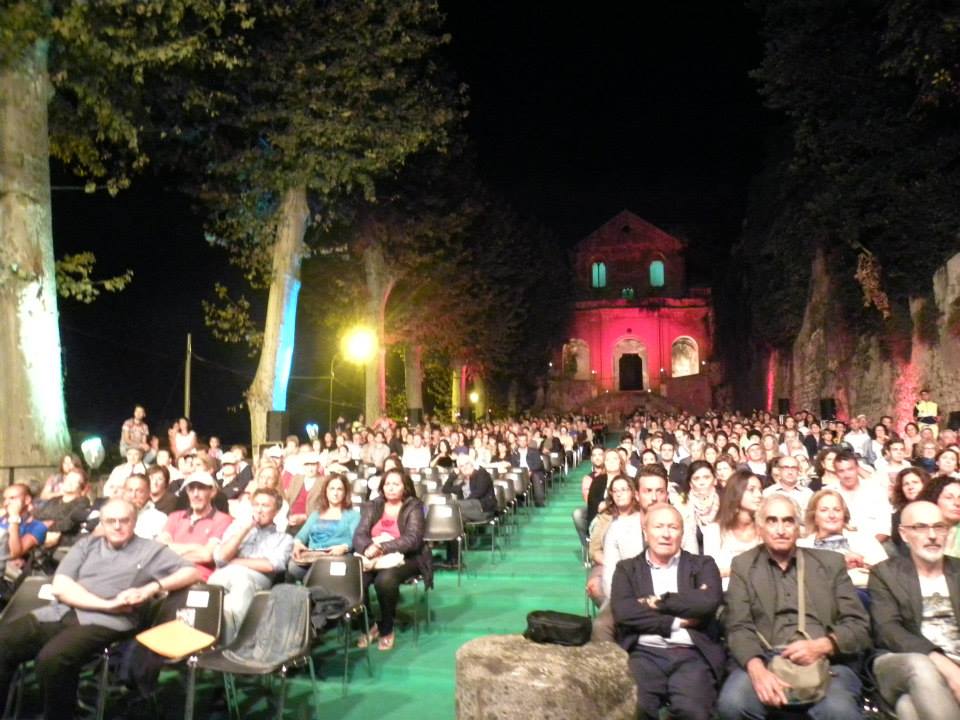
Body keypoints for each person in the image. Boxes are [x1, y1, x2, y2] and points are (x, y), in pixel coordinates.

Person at [0, 498, 199, 720]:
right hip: (63, 611)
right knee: (3, 640)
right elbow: (61, 586)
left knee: (52, 659)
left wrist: (153, 587)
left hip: (108, 622)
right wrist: (108, 604)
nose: (117, 526)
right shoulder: (86, 546)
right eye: (110, 521)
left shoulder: (150, 550)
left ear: (134, 521)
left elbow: (191, 572)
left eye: (124, 520)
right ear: (102, 522)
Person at [717, 495, 871, 720]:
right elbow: (738, 627)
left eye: (788, 521)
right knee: (733, 703)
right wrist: (757, 671)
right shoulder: (743, 566)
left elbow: (858, 625)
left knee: (839, 711)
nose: (781, 529)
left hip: (826, 660)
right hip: (765, 657)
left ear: (798, 528)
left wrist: (823, 646)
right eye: (772, 521)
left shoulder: (830, 564)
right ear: (760, 528)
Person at [611, 503, 724, 720]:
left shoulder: (702, 565)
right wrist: (677, 622)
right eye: (658, 527)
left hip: (691, 653)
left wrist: (658, 603)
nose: (665, 534)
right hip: (643, 653)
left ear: (682, 533)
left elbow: (707, 603)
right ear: (645, 532)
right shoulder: (627, 569)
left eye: (673, 527)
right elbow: (625, 611)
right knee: (635, 709)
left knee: (694, 712)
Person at [869, 500, 960, 719]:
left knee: (908, 708)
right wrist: (946, 666)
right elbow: (888, 630)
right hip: (901, 661)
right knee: (921, 666)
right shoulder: (886, 574)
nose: (932, 535)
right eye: (920, 527)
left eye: (939, 527)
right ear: (903, 534)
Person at [352, 468, 431, 651]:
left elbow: (413, 539)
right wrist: (367, 547)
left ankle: (387, 627)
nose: (391, 488)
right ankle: (370, 624)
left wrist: (382, 547)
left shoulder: (414, 506)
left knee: (385, 580)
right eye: (387, 484)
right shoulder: (373, 505)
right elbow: (359, 534)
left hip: (406, 557)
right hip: (372, 554)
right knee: (356, 580)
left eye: (396, 484)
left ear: (405, 487)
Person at [209, 488, 293, 642]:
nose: (259, 510)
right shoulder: (238, 529)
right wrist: (245, 529)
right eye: (256, 505)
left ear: (276, 511)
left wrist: (236, 561)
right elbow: (221, 558)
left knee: (241, 585)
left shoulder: (283, 538)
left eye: (265, 505)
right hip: (225, 576)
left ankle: (236, 645)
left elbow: (272, 565)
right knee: (226, 603)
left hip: (256, 580)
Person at [797, 489, 888, 588]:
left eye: (837, 510)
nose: (832, 515)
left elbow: (887, 575)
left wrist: (863, 565)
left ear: (844, 514)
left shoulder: (865, 540)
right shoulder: (802, 545)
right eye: (824, 510)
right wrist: (840, 564)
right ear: (814, 516)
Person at [155, 472, 234, 581]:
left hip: (199, 580)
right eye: (191, 489)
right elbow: (159, 549)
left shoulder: (223, 520)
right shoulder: (175, 516)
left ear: (212, 492)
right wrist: (196, 547)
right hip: (165, 573)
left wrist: (171, 550)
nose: (195, 494)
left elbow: (206, 555)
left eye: (201, 488)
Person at [287, 474, 360, 581]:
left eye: (339, 489)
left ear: (345, 493)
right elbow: (301, 536)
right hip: (313, 559)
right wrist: (297, 544)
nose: (335, 493)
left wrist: (344, 547)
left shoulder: (353, 515)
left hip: (338, 558)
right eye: (332, 489)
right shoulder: (316, 514)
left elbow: (355, 540)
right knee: (293, 566)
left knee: (317, 575)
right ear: (326, 491)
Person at [442, 454, 497, 522]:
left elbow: (478, 493)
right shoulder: (462, 484)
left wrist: (462, 503)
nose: (465, 467)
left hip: (483, 510)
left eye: (467, 464)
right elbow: (445, 489)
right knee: (452, 514)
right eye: (461, 466)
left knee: (452, 506)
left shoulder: (481, 474)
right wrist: (453, 475)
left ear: (472, 464)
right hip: (466, 511)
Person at [890, 466, 931, 555]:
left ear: (925, 484)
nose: (910, 487)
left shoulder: (937, 509)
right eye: (906, 484)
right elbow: (898, 542)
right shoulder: (898, 515)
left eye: (915, 482)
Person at [122, 474, 168, 540]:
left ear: (148, 493)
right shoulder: (111, 515)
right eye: (130, 490)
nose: (133, 495)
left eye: (139, 491)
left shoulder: (159, 518)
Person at [509, 433, 546, 507]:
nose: (522, 442)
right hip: (519, 474)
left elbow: (538, 464)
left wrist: (530, 471)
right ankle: (517, 502)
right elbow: (513, 466)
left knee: (535, 476)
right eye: (520, 441)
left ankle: (539, 501)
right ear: (518, 442)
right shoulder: (514, 453)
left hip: (532, 471)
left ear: (527, 442)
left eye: (524, 440)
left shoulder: (534, 451)